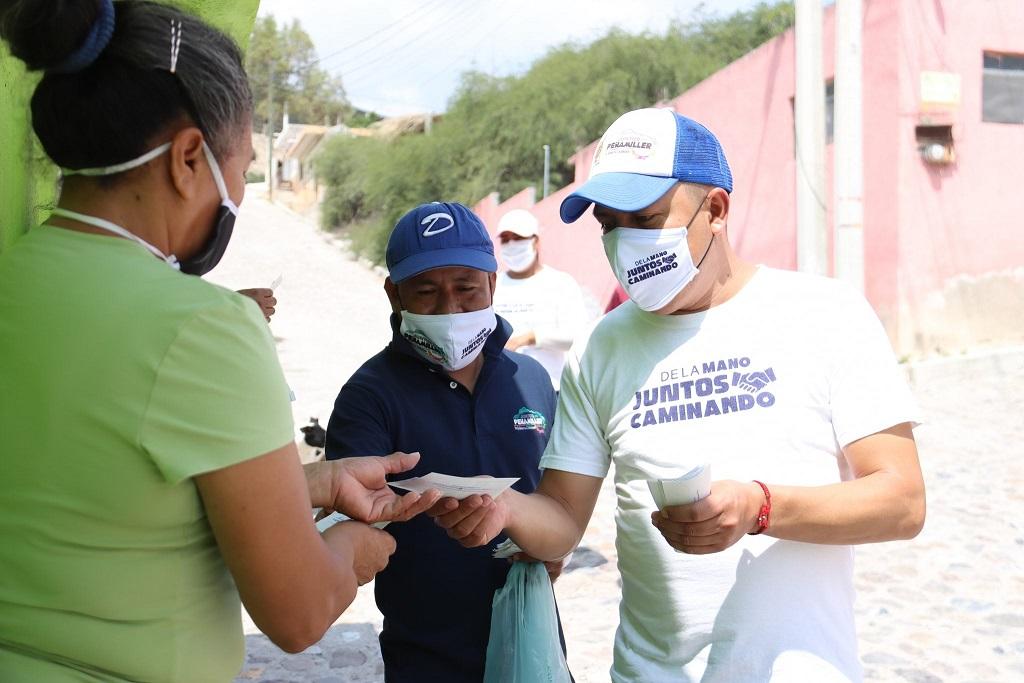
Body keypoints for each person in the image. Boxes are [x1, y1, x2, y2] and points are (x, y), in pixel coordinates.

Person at [0, 2, 438, 681]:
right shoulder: (204, 326)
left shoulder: (17, 274)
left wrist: (308, 484)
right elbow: (295, 612)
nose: (239, 193)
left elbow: (101, 489)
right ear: (186, 159)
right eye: (239, 168)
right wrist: (353, 548)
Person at [428, 108, 927, 682]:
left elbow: (902, 502)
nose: (625, 242)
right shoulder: (601, 349)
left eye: (646, 217)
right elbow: (564, 517)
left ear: (714, 209)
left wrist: (759, 507)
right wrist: (501, 509)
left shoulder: (825, 314)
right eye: (609, 224)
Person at [326, 202, 568, 683]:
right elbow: (347, 523)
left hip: (534, 645)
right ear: (394, 295)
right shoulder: (368, 397)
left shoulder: (533, 380)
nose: (451, 308)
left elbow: (558, 500)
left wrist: (550, 545)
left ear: (493, 285)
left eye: (466, 289)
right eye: (427, 292)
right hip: (425, 656)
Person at [492, 209, 587, 391]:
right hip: (503, 389)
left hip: (552, 390)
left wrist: (530, 337)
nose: (511, 244)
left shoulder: (560, 283)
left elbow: (579, 337)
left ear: (535, 241)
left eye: (518, 238)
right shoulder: (493, 285)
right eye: (505, 239)